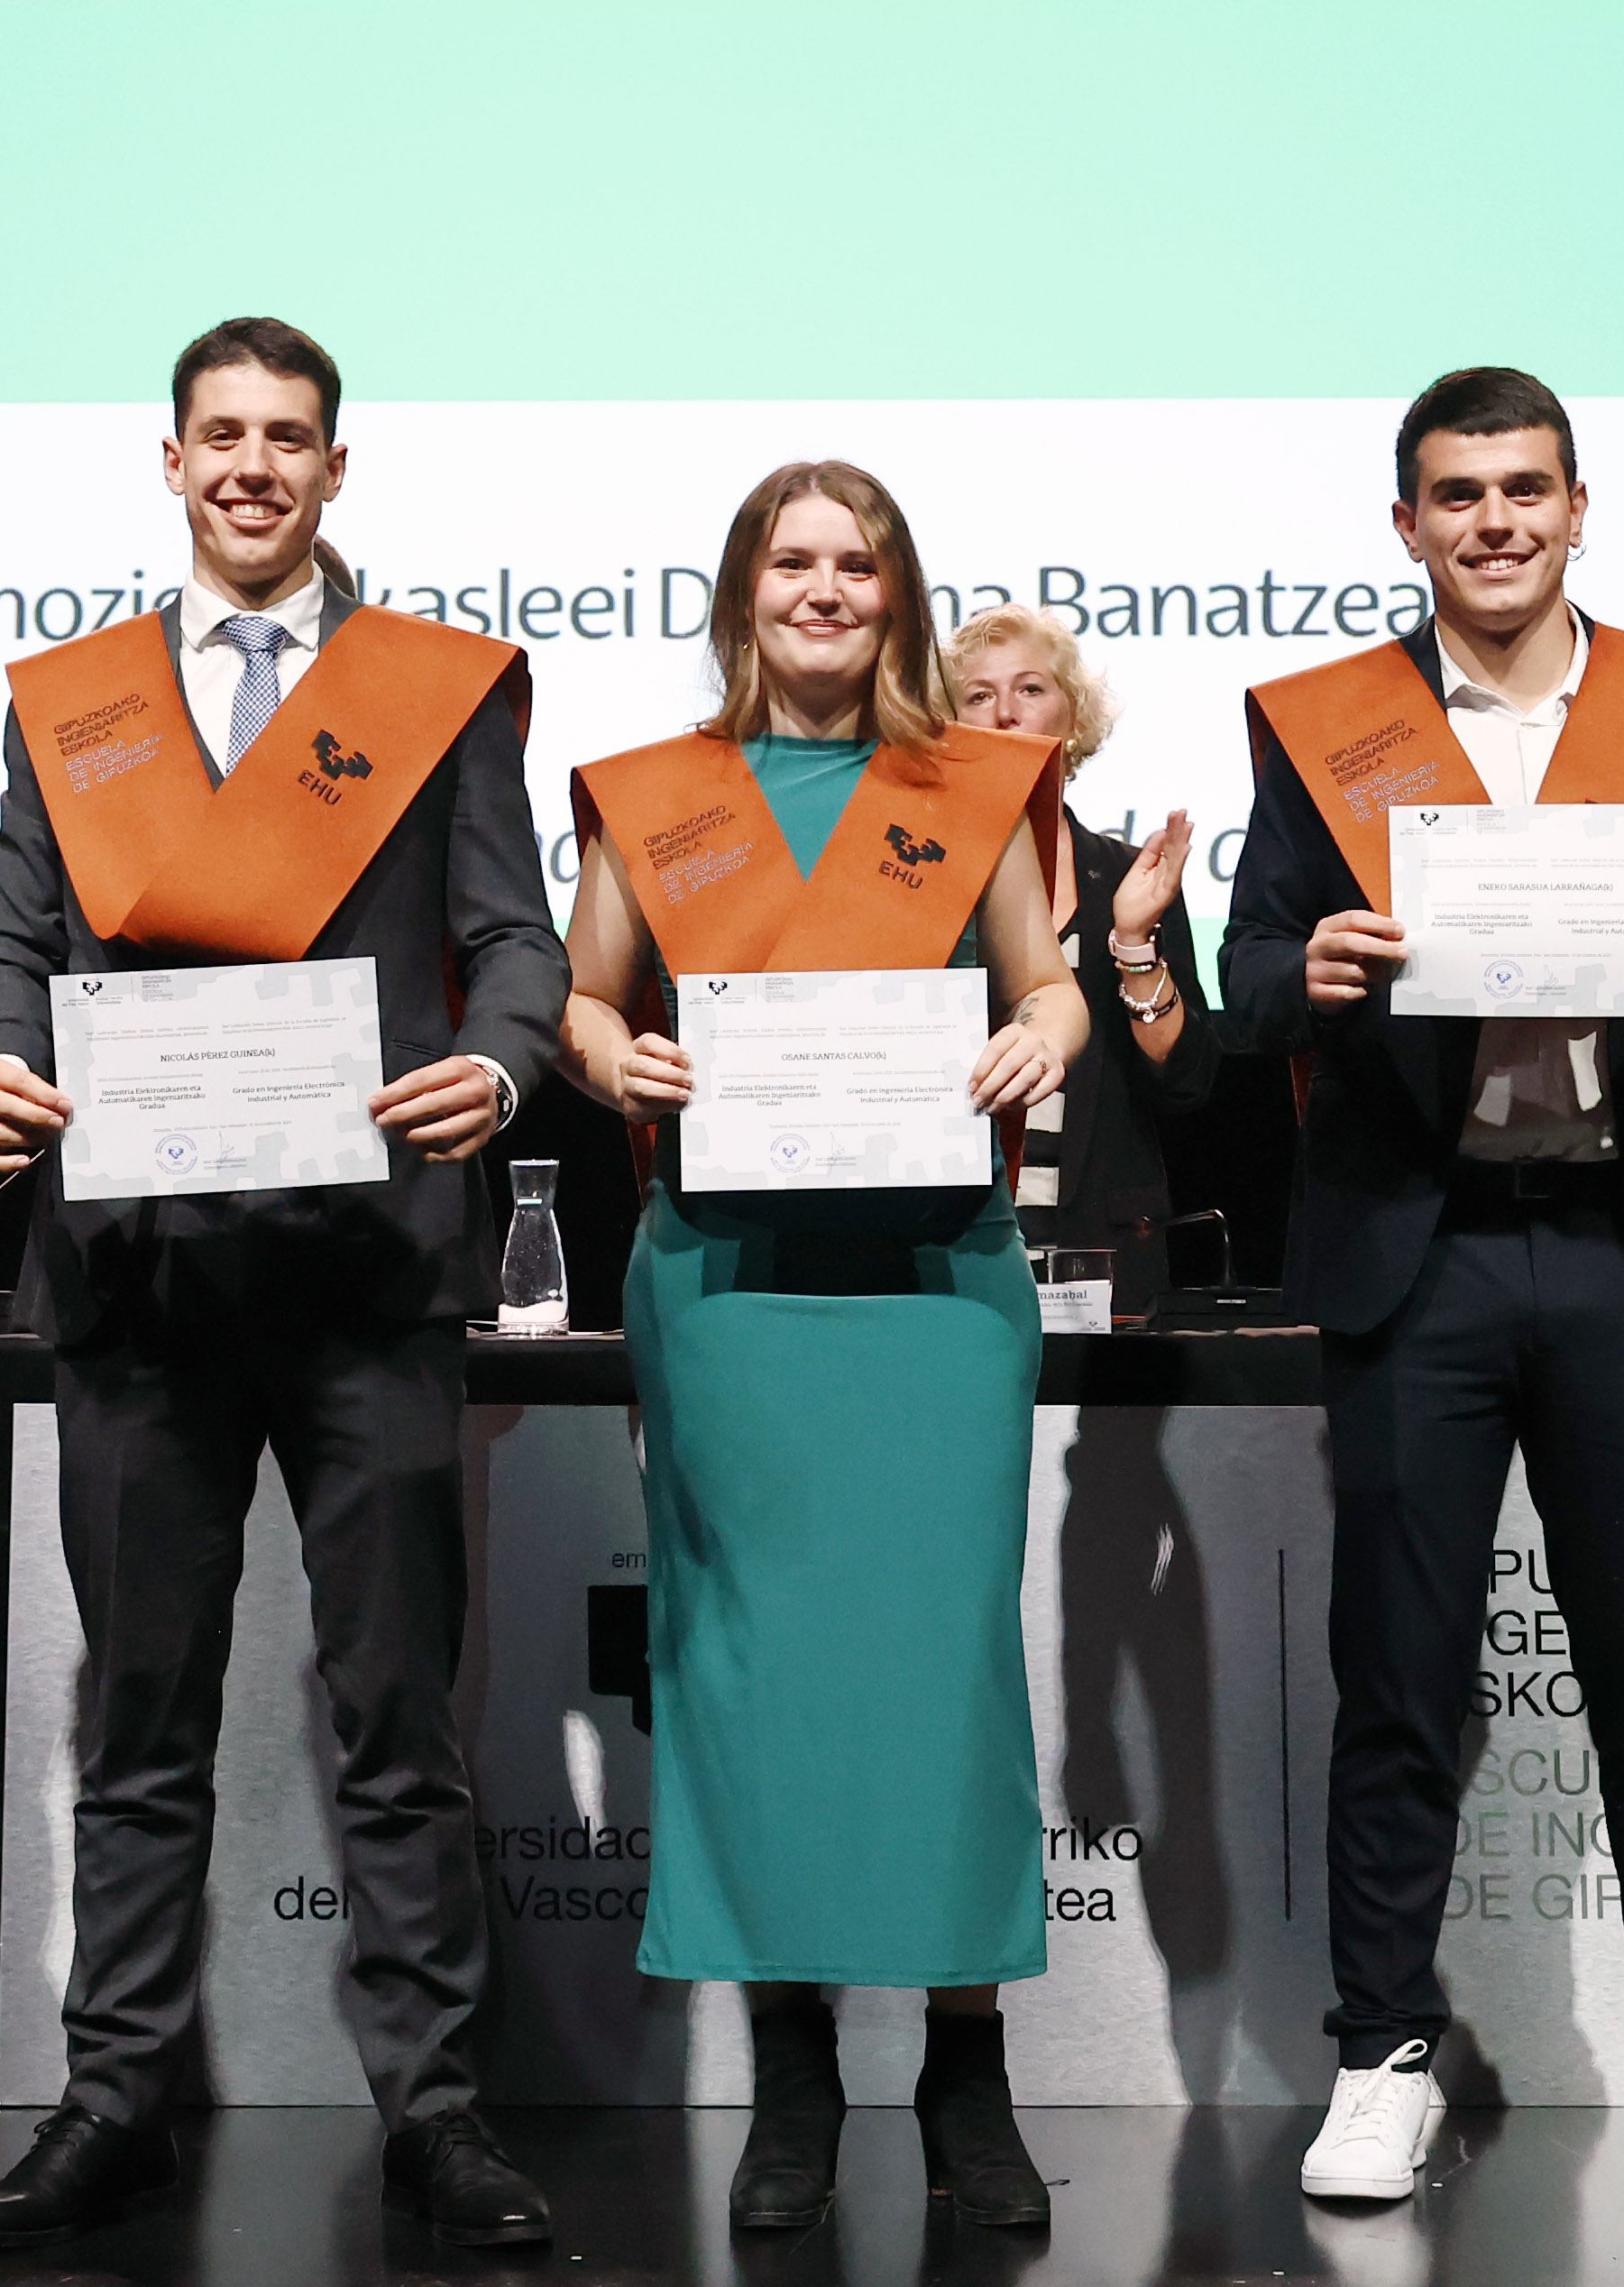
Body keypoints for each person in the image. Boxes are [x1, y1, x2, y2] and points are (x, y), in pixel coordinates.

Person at [0, 319, 568, 2254]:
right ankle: (115, 2098)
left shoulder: (433, 687)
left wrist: (506, 1063)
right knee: (139, 1723)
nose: (252, 465)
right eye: (220, 433)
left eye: (288, 436)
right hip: (138, 1277)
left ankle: (436, 2113)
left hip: (370, 1268)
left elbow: (516, 941)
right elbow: (12, 942)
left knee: (398, 1717)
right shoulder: (76, 702)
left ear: (333, 467)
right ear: (170, 459)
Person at [1225, 367, 1624, 2202]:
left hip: (1622, 1237)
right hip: (1416, 1246)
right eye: (1456, 494)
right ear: (1405, 523)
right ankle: (1381, 2053)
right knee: (1400, 1682)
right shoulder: (1325, 719)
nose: (1493, 521)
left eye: (1523, 489)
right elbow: (1245, 974)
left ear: (1579, 508)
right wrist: (1307, 970)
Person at [564, 462, 1087, 2232]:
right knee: (748, 1668)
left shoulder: (975, 783)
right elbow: (583, 996)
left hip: (936, 1288)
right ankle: (791, 2071)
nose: (824, 588)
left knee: (948, 1669)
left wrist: (1048, 1031)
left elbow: (1048, 981)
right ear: (743, 591)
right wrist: (613, 1055)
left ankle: (964, 2065)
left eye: (858, 563)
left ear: (898, 596)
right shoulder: (657, 794)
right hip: (731, 1283)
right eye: (793, 560)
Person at [949, 602, 1219, 1301]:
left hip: (1104, 1253)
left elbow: (1185, 1082)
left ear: (1071, 718)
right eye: (978, 696)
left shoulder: (1128, 877)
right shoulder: (918, 879)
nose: (1006, 713)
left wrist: (1133, 942)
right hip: (957, 1245)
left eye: (1031, 688)